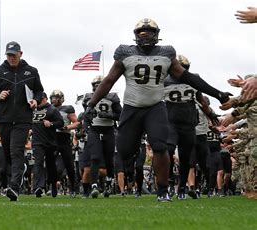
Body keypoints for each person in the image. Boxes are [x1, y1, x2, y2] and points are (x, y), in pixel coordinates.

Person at [85, 18, 231, 202]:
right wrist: (91, 105)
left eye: (149, 32)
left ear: (157, 35)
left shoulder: (166, 53)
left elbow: (188, 78)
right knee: (124, 151)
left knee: (161, 147)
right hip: (131, 107)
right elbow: (108, 81)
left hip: (155, 106)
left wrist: (217, 93)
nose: (145, 36)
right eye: (141, 32)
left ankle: (163, 190)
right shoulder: (124, 52)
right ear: (135, 35)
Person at [0, 41, 44, 201]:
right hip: (3, 119)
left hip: (23, 119)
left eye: (14, 55)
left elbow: (39, 91)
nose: (11, 58)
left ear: (20, 54)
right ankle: (21, 169)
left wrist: (36, 101)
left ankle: (14, 187)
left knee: (16, 151)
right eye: (9, 55)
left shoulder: (31, 71)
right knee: (9, 154)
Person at [163, 55, 218, 200]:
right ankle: (169, 182)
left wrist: (211, 115)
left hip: (188, 123)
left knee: (186, 158)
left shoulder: (193, 80)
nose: (182, 71)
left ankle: (182, 187)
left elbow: (201, 101)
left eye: (185, 68)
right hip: (171, 122)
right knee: (168, 150)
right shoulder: (164, 81)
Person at [82, 76, 122, 199]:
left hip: (108, 130)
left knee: (109, 160)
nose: (97, 87)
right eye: (95, 84)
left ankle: (109, 183)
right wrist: (88, 119)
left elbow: (120, 115)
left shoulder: (112, 97)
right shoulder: (88, 97)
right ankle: (94, 185)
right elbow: (85, 115)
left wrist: (109, 115)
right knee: (94, 158)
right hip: (94, 130)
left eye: (100, 84)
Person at [31, 93, 64, 198]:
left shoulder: (52, 109)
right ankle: (39, 187)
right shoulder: (33, 109)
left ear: (44, 99)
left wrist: (51, 124)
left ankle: (53, 184)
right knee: (38, 163)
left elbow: (61, 122)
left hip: (50, 142)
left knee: (51, 166)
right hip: (37, 142)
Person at [50, 90, 80, 197]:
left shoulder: (67, 109)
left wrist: (67, 127)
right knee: (52, 165)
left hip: (64, 138)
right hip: (52, 139)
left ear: (61, 98)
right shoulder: (48, 109)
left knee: (69, 165)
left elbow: (77, 123)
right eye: (52, 97)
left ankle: (73, 187)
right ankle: (53, 187)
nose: (54, 99)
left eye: (56, 97)